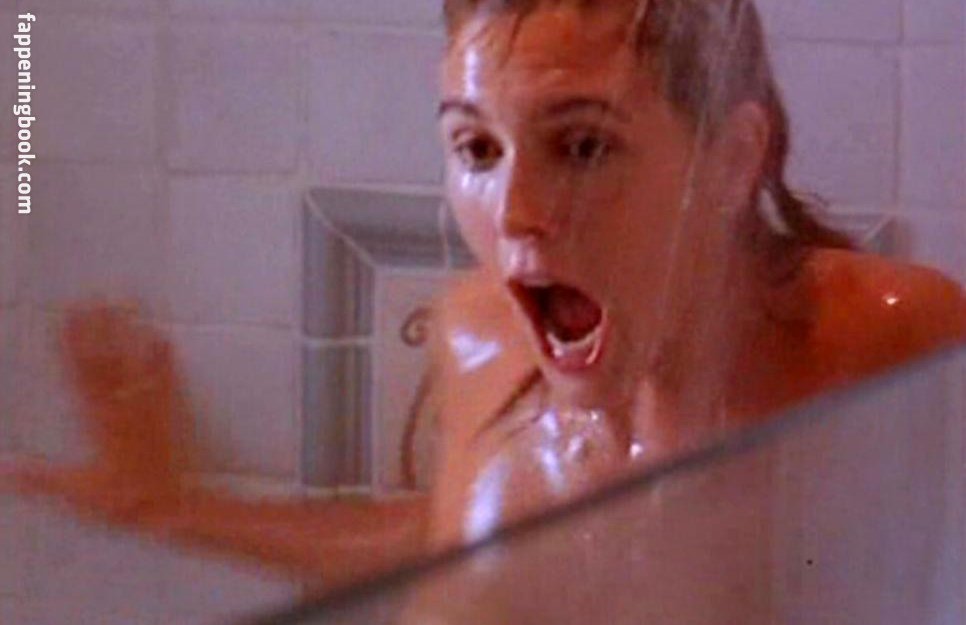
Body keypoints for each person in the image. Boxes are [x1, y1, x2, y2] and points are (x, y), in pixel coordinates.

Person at [3, 0, 964, 594]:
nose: (514, 214)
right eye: (476, 147)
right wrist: (171, 508)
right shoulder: (476, 339)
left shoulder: (893, 347)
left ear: (732, 158)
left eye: (581, 145)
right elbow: (460, 542)